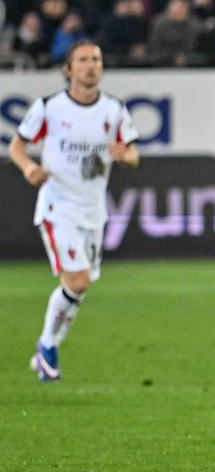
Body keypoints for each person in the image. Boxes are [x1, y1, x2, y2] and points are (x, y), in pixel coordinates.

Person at [7, 40, 140, 381]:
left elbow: (133, 153)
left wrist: (124, 155)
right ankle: (48, 347)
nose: (91, 65)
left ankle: (46, 346)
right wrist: (28, 169)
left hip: (93, 210)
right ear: (69, 69)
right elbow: (17, 145)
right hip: (58, 207)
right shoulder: (51, 108)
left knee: (79, 287)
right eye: (83, 60)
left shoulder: (113, 110)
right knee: (77, 280)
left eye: (96, 59)